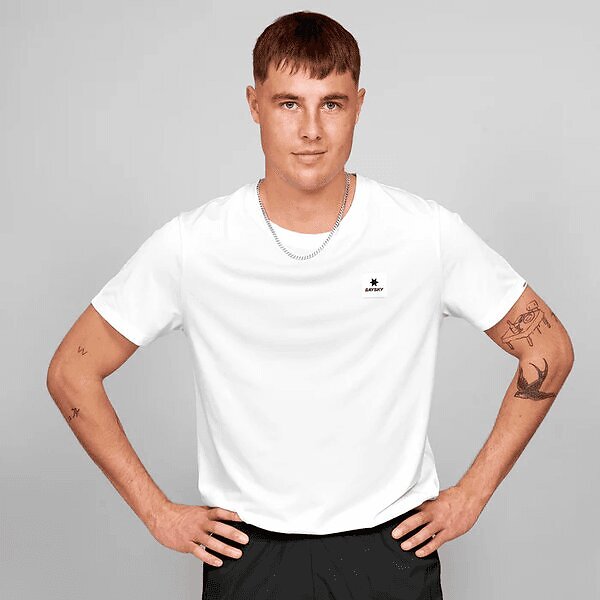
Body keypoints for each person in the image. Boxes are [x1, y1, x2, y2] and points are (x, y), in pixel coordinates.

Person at [46, 10, 575, 600]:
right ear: (254, 104)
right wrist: (156, 512)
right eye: (289, 103)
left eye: (332, 104)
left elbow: (548, 349)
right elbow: (71, 372)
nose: (311, 130)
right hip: (249, 554)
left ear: (359, 106)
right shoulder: (194, 245)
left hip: (390, 551)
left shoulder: (423, 234)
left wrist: (472, 494)